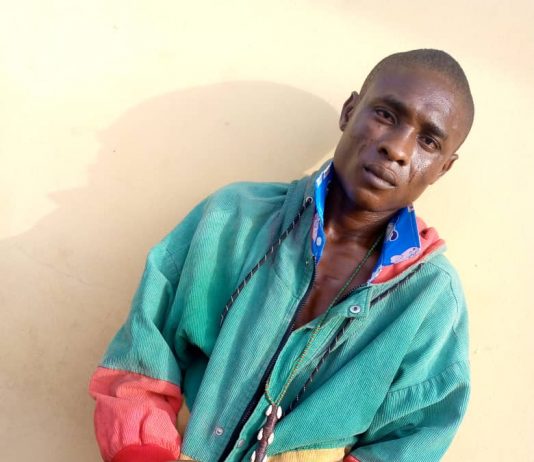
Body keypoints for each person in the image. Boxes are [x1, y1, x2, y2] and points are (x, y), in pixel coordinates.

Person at [89, 49, 474, 462]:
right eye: (385, 114)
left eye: (428, 141)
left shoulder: (431, 299)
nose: (397, 148)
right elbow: (141, 361)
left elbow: (411, 439)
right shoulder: (232, 218)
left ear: (443, 168)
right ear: (349, 111)